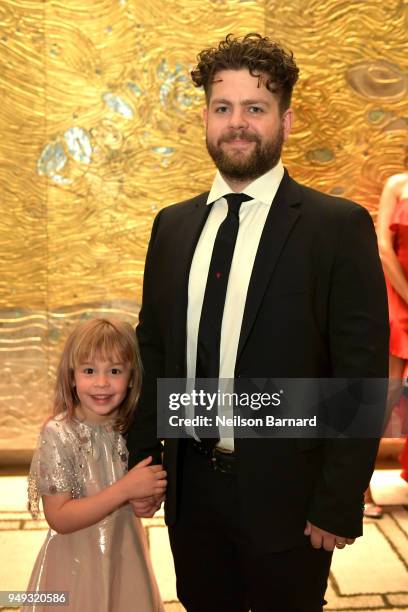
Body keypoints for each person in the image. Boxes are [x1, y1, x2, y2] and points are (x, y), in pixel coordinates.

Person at [127, 33, 389, 612]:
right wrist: (143, 461)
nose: (237, 123)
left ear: (286, 120)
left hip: (292, 500)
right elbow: (156, 349)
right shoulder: (171, 227)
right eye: (224, 108)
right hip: (192, 495)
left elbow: (360, 372)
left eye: (255, 108)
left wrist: (338, 500)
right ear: (205, 118)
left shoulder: (336, 227)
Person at [25, 318, 166, 612]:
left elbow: (146, 490)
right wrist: (125, 489)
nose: (102, 382)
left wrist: (148, 497)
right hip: (75, 565)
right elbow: (59, 518)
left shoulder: (128, 428)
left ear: (131, 378)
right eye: (89, 370)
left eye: (114, 371)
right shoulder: (59, 433)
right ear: (72, 376)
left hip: (125, 556)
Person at [367, 170, 408, 505]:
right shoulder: (397, 183)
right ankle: (357, 486)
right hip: (398, 291)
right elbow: (382, 246)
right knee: (385, 392)